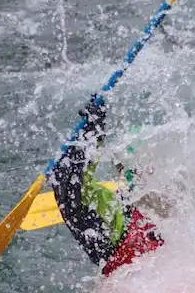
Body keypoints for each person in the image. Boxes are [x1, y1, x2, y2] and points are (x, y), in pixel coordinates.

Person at [50, 96, 165, 276]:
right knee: (68, 191)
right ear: (125, 172)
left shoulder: (177, 197)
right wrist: (93, 133)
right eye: (144, 167)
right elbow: (69, 185)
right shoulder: (112, 211)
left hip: (159, 276)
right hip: (122, 272)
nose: (151, 170)